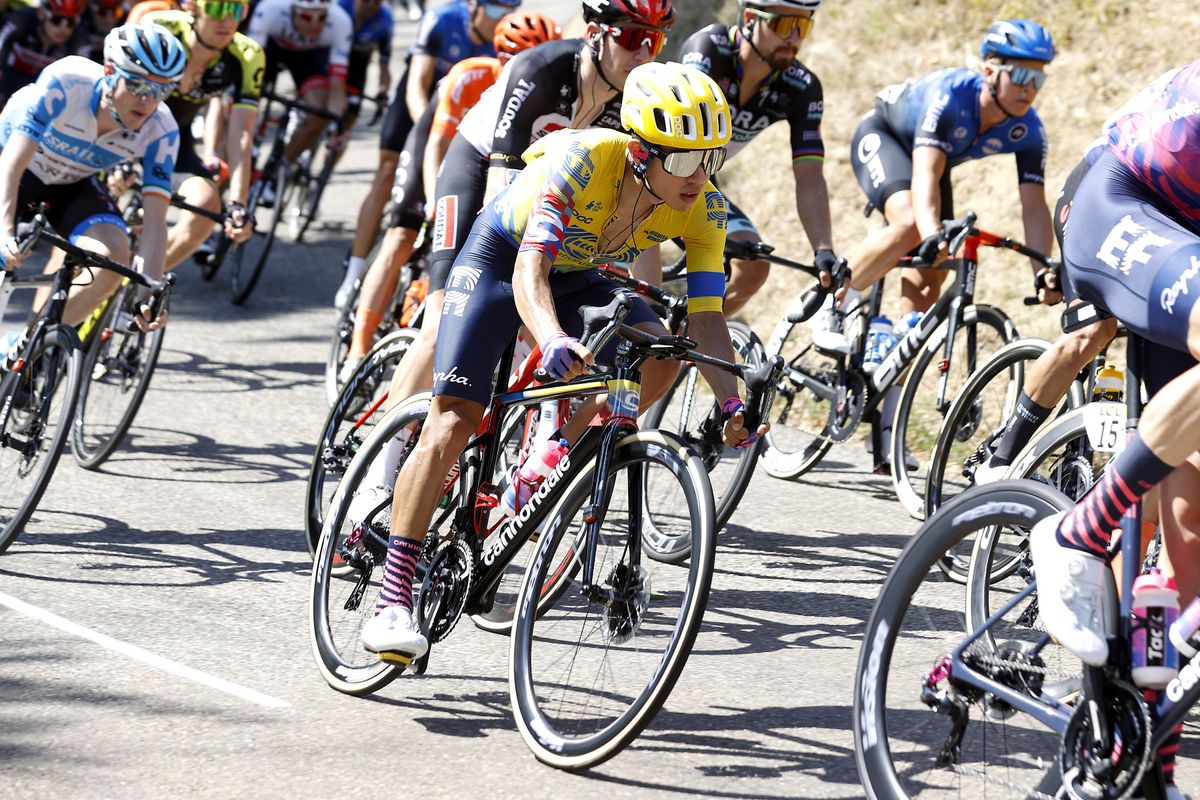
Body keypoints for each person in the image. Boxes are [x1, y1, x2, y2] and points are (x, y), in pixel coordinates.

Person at [356, 61, 760, 660]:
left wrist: (732, 401)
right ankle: (392, 600)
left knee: (659, 358)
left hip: (580, 274)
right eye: (681, 159)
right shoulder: (585, 160)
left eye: (711, 158)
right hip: (501, 259)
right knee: (454, 418)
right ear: (640, 153)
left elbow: (705, 316)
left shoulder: (705, 207)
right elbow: (530, 270)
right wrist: (548, 339)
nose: (697, 176)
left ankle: (551, 453)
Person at [1028, 60, 1200, 800]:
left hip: (1188, 245)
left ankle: (1144, 754)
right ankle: (1081, 530)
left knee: (1187, 568)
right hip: (1121, 199)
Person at [375, 0, 670, 411]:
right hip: (479, 168)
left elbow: (641, 212)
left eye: (654, 41)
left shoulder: (635, 107)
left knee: (558, 330)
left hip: (550, 193)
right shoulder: (540, 69)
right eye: (634, 37)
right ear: (593, 35)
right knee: (444, 317)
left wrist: (650, 304)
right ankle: (382, 463)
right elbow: (501, 188)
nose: (643, 55)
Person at [815, 18, 1058, 471]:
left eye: (1038, 77)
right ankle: (835, 298)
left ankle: (888, 428)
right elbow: (925, 175)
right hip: (886, 136)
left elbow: (1034, 207)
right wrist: (929, 236)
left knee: (924, 296)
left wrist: (1042, 266)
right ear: (991, 71)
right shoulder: (952, 96)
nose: (1030, 88)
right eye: (1022, 76)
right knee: (912, 225)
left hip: (934, 159)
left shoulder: (1029, 128)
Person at [334, 10, 561, 373]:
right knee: (402, 234)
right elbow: (438, 144)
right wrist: (433, 202)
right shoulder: (470, 75)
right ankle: (357, 349)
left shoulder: (555, 100)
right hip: (438, 146)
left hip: (494, 170)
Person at [0, 22, 184, 331]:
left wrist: (146, 293)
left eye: (161, 90)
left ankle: (29, 348)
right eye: (138, 86)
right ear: (110, 71)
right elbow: (12, 164)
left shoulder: (162, 131)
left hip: (71, 184)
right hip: (13, 166)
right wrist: (4, 231)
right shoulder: (68, 81)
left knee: (114, 258)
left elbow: (155, 223)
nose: (148, 101)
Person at [341, 0, 514, 302]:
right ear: (474, 5)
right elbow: (416, 83)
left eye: (509, 10)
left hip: (466, 124)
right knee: (387, 174)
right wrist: (435, 131)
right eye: (497, 9)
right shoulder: (443, 18)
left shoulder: (506, 41)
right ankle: (353, 271)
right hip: (423, 109)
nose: (503, 17)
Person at [673, 0, 835, 316]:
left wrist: (823, 249)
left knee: (754, 266)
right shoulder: (709, 49)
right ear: (749, 19)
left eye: (802, 27)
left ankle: (689, 337)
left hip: (700, 176)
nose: (793, 40)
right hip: (660, 167)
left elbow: (810, 174)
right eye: (784, 25)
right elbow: (680, 141)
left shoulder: (801, 87)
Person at [141, 0, 261, 267]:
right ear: (192, 7)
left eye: (238, 10)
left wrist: (239, 203)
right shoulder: (161, 28)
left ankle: (135, 283)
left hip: (173, 139)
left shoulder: (247, 55)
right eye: (219, 8)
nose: (228, 20)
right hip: (121, 132)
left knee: (207, 209)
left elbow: (241, 134)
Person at [247, 0, 353, 203]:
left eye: (322, 17)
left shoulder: (340, 21)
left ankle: (277, 172)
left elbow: (337, 85)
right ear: (293, 10)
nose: (315, 24)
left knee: (319, 112)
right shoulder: (270, 9)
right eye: (306, 17)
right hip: (270, 49)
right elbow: (249, 66)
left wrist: (337, 124)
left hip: (309, 57)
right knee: (245, 99)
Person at [0, 0, 91, 104]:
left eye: (71, 22)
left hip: (43, 93)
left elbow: (83, 78)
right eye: (56, 20)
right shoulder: (23, 19)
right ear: (41, 14)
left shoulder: (80, 39)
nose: (63, 28)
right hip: (9, 79)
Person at [337, 0, 392, 137]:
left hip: (357, 64)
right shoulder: (340, 6)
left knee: (350, 118)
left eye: (377, 2)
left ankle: (334, 150)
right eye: (366, 1)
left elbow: (384, 66)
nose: (371, 5)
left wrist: (382, 92)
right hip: (329, 56)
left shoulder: (384, 20)